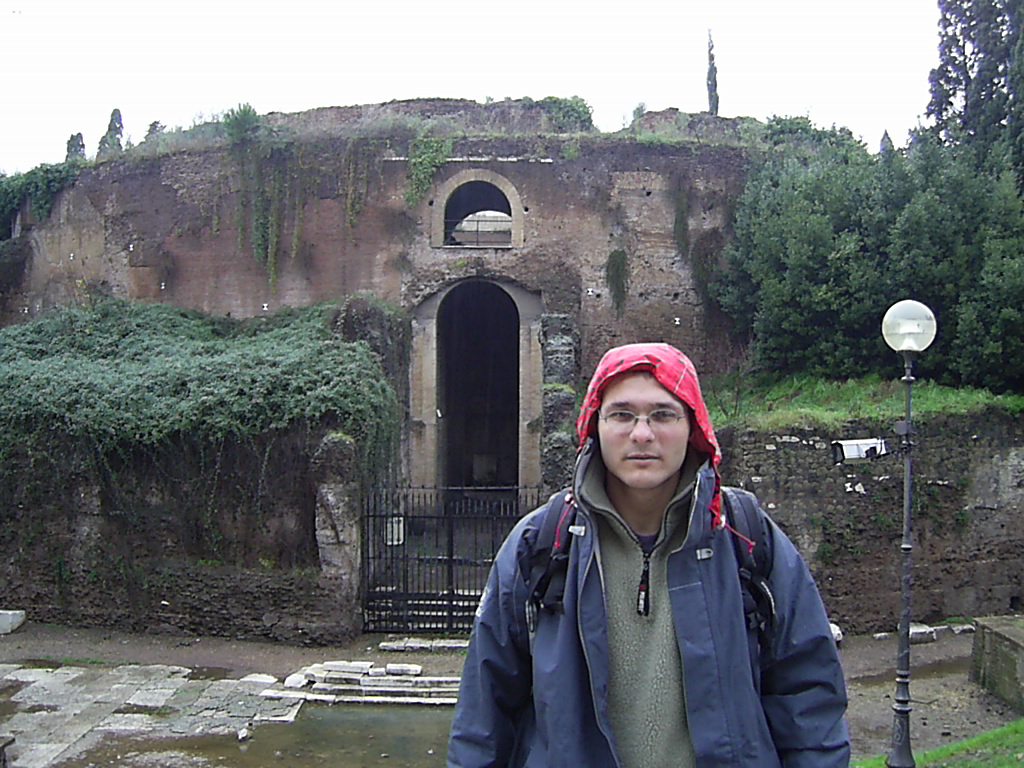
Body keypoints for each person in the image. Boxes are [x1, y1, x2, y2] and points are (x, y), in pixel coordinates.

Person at [447, 342, 850, 767]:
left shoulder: (744, 536)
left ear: (693, 426)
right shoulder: (541, 542)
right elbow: (484, 712)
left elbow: (808, 695)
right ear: (595, 426)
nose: (642, 434)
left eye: (662, 414)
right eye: (622, 415)